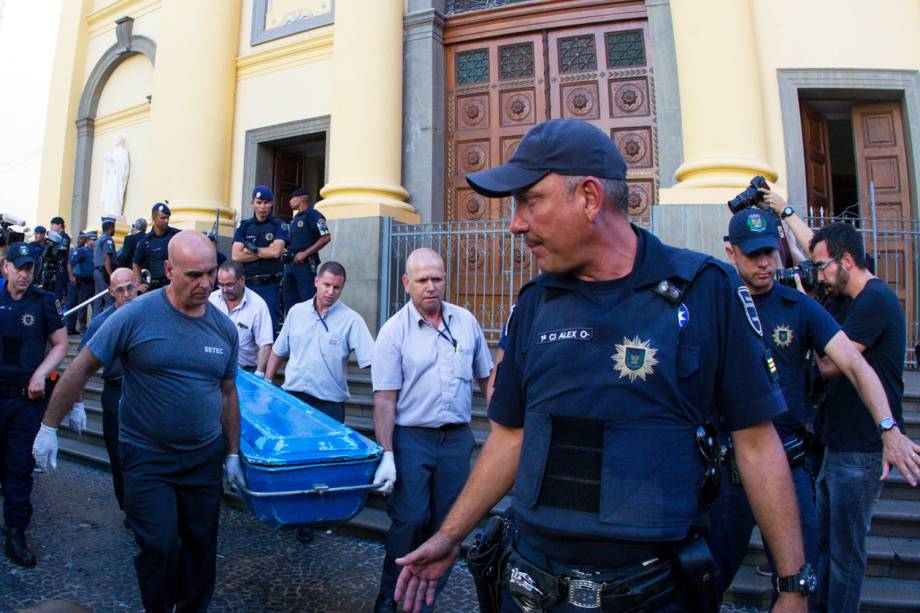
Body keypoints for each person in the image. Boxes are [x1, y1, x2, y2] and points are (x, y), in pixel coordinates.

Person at [392, 119, 814, 613]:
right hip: (531, 588)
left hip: (655, 594)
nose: (515, 223)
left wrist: (791, 587)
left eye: (530, 201)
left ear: (590, 198)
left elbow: (757, 441)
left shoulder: (707, 291)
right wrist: (450, 534)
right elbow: (511, 437)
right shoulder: (534, 305)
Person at [708, 208, 914, 607]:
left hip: (787, 466)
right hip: (727, 469)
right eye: (753, 255)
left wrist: (888, 428)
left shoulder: (798, 306)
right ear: (732, 253)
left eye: (771, 251)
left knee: (801, 583)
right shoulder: (714, 302)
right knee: (704, 580)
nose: (765, 263)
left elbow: (854, 364)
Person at [32, 231, 245, 613]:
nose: (206, 284)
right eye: (194, 274)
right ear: (168, 269)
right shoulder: (134, 315)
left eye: (210, 273)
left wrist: (231, 452)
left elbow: (228, 392)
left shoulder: (223, 328)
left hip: (202, 458)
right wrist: (49, 427)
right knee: (161, 545)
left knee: (201, 549)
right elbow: (81, 367)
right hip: (148, 457)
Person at [370, 247, 494, 613]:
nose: (431, 286)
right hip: (412, 439)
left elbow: (487, 377)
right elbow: (384, 399)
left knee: (448, 527)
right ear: (407, 283)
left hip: (456, 439)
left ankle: (422, 603)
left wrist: (502, 425)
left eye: (437, 278)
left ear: (445, 278)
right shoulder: (394, 331)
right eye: (422, 280)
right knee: (409, 521)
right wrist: (387, 454)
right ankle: (389, 602)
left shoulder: (466, 321)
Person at [808, 223, 920, 611]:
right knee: (825, 545)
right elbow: (815, 252)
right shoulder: (850, 299)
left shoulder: (875, 300)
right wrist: (783, 211)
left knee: (845, 556)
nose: (818, 276)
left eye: (822, 267)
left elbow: (829, 365)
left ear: (847, 261)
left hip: (861, 450)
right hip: (838, 444)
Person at [0, 242, 67, 567]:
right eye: (19, 268)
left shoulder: (44, 301)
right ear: (6, 268)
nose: (25, 274)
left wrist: (42, 373)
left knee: (18, 468)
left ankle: (16, 532)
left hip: (26, 400)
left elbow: (60, 344)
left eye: (29, 269)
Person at [265, 261, 374, 423]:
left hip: (329, 405)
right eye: (326, 285)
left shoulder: (352, 320)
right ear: (316, 281)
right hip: (293, 398)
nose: (331, 292)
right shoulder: (296, 312)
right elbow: (278, 351)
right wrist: (267, 384)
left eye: (336, 288)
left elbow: (373, 360)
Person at [68, 268, 140, 513]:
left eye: (130, 287)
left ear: (138, 285)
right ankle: (129, 510)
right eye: (120, 290)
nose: (127, 294)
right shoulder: (101, 322)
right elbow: (80, 367)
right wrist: (77, 404)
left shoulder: (152, 314)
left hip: (147, 393)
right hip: (116, 392)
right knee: (119, 456)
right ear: (111, 292)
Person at [232, 185, 289, 334]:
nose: (262, 206)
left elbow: (276, 252)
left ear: (271, 203)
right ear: (252, 203)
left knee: (269, 328)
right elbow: (236, 255)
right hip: (248, 285)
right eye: (259, 202)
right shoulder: (244, 226)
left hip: (269, 285)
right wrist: (265, 250)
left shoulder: (279, 225)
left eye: (266, 202)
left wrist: (252, 249)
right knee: (245, 328)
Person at [208, 260, 273, 374]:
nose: (224, 290)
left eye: (229, 285)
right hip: (214, 366)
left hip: (244, 370)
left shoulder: (258, 305)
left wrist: (259, 374)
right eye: (221, 284)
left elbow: (265, 344)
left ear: (242, 280)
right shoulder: (212, 299)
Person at [283, 188, 330, 312]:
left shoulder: (314, 215)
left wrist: (305, 254)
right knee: (290, 302)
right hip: (290, 264)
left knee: (308, 301)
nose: (289, 201)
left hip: (305, 265)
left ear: (301, 198)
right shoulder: (294, 219)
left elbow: (326, 237)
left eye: (292, 198)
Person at [134, 202, 180, 293]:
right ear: (154, 218)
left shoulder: (176, 235)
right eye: (163, 218)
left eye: (167, 218)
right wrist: (139, 284)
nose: (166, 221)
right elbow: (135, 263)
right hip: (155, 287)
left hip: (173, 284)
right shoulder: (146, 241)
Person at [69, 231, 96, 333]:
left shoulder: (97, 251)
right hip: (84, 282)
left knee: (95, 305)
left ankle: (93, 326)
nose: (95, 241)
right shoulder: (81, 251)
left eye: (95, 239)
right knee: (82, 305)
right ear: (87, 240)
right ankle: (82, 327)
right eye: (93, 239)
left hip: (94, 282)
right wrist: (72, 277)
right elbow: (70, 263)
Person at [92, 216, 117, 317]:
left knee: (98, 301)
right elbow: (106, 257)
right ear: (111, 228)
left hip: (97, 272)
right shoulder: (107, 240)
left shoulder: (99, 240)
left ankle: (95, 326)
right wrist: (111, 275)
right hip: (104, 273)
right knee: (109, 300)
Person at [49, 217, 71, 304]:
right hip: (54, 268)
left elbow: (60, 252)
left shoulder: (63, 237)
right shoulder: (55, 237)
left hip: (60, 269)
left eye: (52, 224)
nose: (51, 227)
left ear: (59, 225)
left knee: (57, 294)